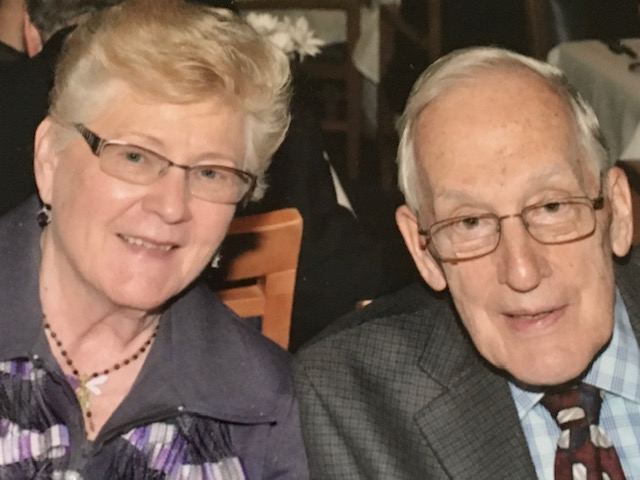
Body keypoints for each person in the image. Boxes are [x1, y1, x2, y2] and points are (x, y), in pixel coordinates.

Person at [294, 46, 639, 478]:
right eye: (470, 222)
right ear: (424, 250)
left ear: (619, 212)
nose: (522, 271)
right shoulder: (353, 398)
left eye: (552, 207)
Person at [0, 0, 309, 478]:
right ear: (50, 159)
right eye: (136, 158)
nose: (171, 207)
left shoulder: (264, 407)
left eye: (210, 172)